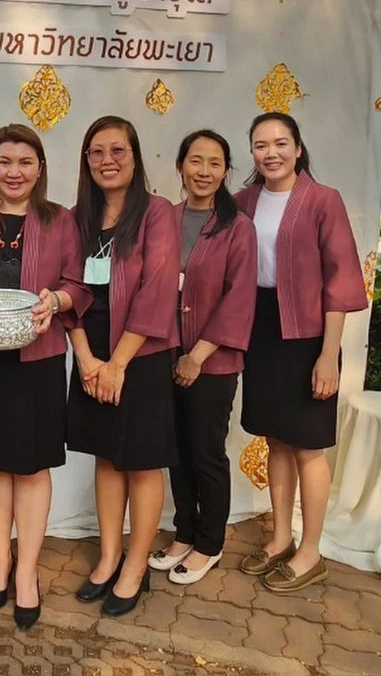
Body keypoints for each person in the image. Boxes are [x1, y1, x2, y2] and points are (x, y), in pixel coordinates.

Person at [0, 123, 89, 630]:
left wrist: (59, 300)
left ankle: (27, 571)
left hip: (41, 359)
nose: (14, 172)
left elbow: (75, 283)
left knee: (31, 466)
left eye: (25, 162)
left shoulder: (60, 220)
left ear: (40, 169)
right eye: (5, 161)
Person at [234, 113, 367, 593]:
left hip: (310, 335)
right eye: (260, 145)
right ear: (251, 152)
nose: (271, 153)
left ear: (297, 147)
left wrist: (329, 354)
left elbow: (341, 281)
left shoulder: (322, 200)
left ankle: (311, 551)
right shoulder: (243, 201)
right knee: (276, 440)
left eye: (280, 143)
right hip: (261, 329)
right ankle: (281, 537)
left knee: (308, 445)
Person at [65, 116, 180, 617]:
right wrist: (87, 359)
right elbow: (67, 289)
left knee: (141, 460)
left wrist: (117, 364)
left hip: (141, 359)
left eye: (118, 151)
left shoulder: (157, 213)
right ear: (86, 161)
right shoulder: (77, 218)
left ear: (135, 157)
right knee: (107, 455)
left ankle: (135, 565)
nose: (107, 161)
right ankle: (109, 556)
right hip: (92, 357)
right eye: (96, 152)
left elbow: (156, 292)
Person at [147, 129, 257, 585]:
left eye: (215, 163)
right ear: (180, 166)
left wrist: (197, 355)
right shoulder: (165, 219)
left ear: (226, 171)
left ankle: (210, 542)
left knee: (206, 453)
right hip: (163, 355)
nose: (204, 171)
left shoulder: (237, 227)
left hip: (211, 363)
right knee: (176, 451)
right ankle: (184, 532)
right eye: (196, 161)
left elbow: (238, 299)